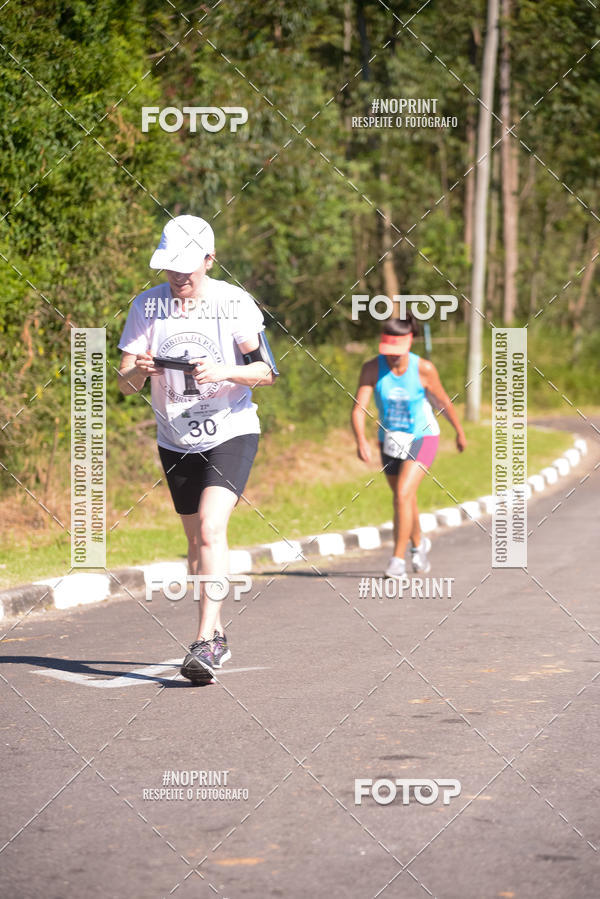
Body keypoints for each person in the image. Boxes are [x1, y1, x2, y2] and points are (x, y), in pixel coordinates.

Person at [117, 215, 278, 682]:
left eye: (188, 268)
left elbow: (265, 371)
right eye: (170, 268)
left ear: (210, 261)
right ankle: (218, 633)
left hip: (232, 428)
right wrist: (140, 371)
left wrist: (223, 372)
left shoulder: (233, 303)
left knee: (211, 528)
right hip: (176, 437)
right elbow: (126, 385)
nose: (179, 277)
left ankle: (205, 641)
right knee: (194, 542)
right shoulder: (147, 307)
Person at [351, 315, 466, 578]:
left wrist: (459, 431)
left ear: (409, 344)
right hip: (389, 440)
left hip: (422, 437)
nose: (392, 357)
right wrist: (360, 439)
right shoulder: (371, 368)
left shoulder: (424, 369)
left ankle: (397, 560)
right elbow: (359, 409)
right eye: (387, 352)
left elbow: (443, 401)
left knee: (402, 494)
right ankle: (418, 545)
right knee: (405, 497)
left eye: (397, 352)